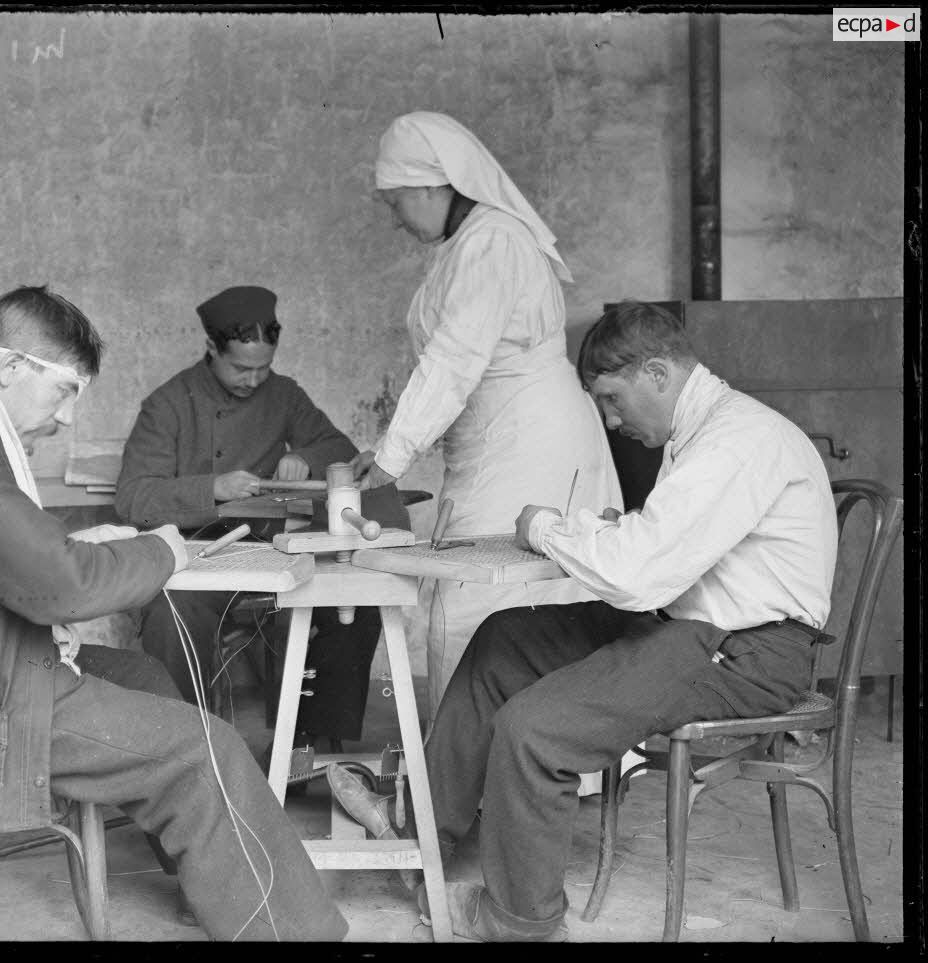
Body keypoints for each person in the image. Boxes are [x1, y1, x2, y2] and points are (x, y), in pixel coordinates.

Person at [0, 285, 346, 941]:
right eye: (65, 390)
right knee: (207, 748)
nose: (69, 416)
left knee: (145, 676)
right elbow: (63, 588)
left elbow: (23, 558)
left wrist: (90, 550)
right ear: (11, 367)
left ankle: (219, 882)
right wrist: (162, 549)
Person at [327, 301, 838, 941]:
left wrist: (545, 527)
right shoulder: (704, 432)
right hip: (686, 625)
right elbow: (668, 547)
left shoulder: (738, 440)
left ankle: (519, 922)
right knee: (505, 639)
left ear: (657, 372)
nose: (610, 418)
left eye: (613, 398)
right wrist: (598, 532)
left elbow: (637, 574)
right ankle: (420, 824)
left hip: (745, 652)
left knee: (536, 730)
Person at [349, 111, 622, 712]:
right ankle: (473, 769)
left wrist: (393, 459)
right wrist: (393, 450)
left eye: (396, 202)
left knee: (485, 600)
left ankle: (504, 769)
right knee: (473, 598)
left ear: (430, 185)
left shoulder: (494, 241)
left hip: (531, 442)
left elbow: (454, 358)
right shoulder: (466, 245)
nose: (395, 218)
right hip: (498, 438)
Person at [116, 285, 408, 752]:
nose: (254, 380)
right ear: (211, 348)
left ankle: (308, 748)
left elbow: (340, 451)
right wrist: (213, 487)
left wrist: (307, 458)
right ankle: (190, 751)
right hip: (194, 558)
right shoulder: (168, 403)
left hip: (270, 553)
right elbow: (132, 496)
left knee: (350, 601)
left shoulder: (283, 395)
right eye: (240, 368)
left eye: (263, 368)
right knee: (171, 616)